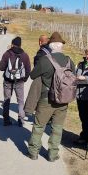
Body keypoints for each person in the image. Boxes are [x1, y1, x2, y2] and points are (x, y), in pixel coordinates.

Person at [27, 32, 74, 161]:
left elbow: (32, 75)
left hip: (46, 98)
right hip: (63, 99)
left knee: (39, 126)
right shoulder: (69, 61)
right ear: (61, 46)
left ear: (50, 46)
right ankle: (53, 154)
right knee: (57, 128)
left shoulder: (44, 60)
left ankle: (33, 152)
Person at [0, 36, 31, 126]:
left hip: (8, 81)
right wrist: (24, 79)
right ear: (20, 45)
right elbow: (28, 69)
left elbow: (1, 67)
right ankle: (21, 120)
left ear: (12, 44)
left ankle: (6, 120)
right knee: (20, 101)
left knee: (6, 100)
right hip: (20, 81)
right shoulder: (25, 55)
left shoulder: (7, 54)